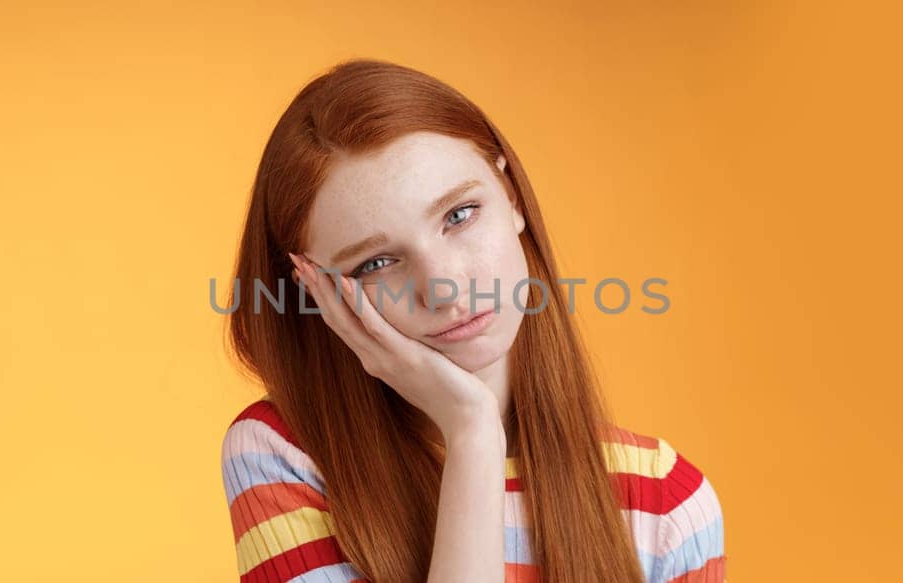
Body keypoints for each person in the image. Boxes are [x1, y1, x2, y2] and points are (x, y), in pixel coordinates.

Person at [219, 58, 726, 583]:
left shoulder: (666, 501)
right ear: (316, 289)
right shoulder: (282, 455)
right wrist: (474, 435)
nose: (444, 288)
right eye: (375, 263)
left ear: (510, 198)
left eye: (459, 215)